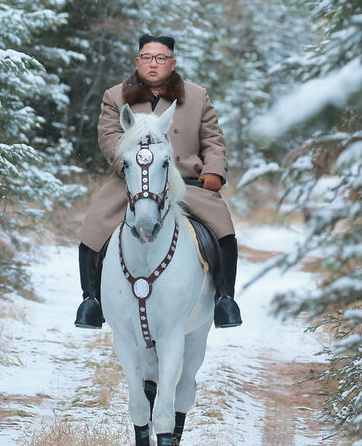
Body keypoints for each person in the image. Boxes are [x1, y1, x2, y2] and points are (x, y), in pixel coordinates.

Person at [75, 33, 240, 329]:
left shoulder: (197, 96)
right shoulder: (115, 97)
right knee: (93, 228)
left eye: (161, 58)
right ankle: (92, 301)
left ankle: (224, 299)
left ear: (173, 63)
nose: (154, 64)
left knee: (223, 231)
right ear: (138, 61)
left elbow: (214, 140)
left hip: (187, 183)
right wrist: (130, 166)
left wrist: (214, 170)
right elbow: (109, 138)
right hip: (132, 181)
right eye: (148, 58)